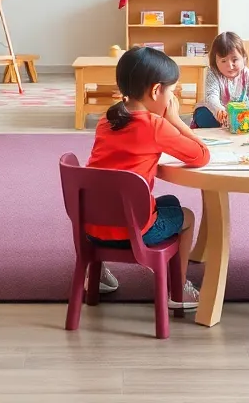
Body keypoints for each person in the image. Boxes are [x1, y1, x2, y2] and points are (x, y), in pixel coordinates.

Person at [85, 46, 210, 309]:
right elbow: (201, 155)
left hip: (92, 227)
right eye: (171, 92)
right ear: (155, 91)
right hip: (132, 231)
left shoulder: (107, 120)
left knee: (168, 202)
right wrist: (176, 119)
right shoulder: (156, 126)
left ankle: (97, 276)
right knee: (186, 216)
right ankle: (178, 289)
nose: (171, 99)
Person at [191, 32, 249, 128]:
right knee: (203, 116)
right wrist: (219, 109)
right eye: (223, 61)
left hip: (239, 113)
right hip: (216, 112)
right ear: (215, 62)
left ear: (244, 59)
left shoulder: (246, 73)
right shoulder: (213, 73)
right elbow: (211, 96)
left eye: (235, 60)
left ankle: (233, 123)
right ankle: (226, 123)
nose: (229, 65)